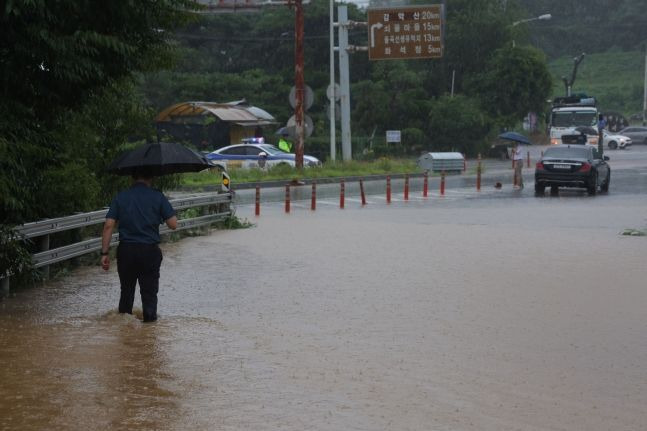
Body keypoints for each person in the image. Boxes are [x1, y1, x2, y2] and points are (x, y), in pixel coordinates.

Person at [100, 169, 177, 323]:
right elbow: (173, 224)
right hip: (149, 251)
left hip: (126, 251)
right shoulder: (157, 196)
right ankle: (149, 333)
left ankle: (125, 333)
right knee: (149, 294)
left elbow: (109, 226)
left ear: (132, 177)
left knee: (126, 292)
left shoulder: (121, 197)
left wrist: (104, 253)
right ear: (152, 177)